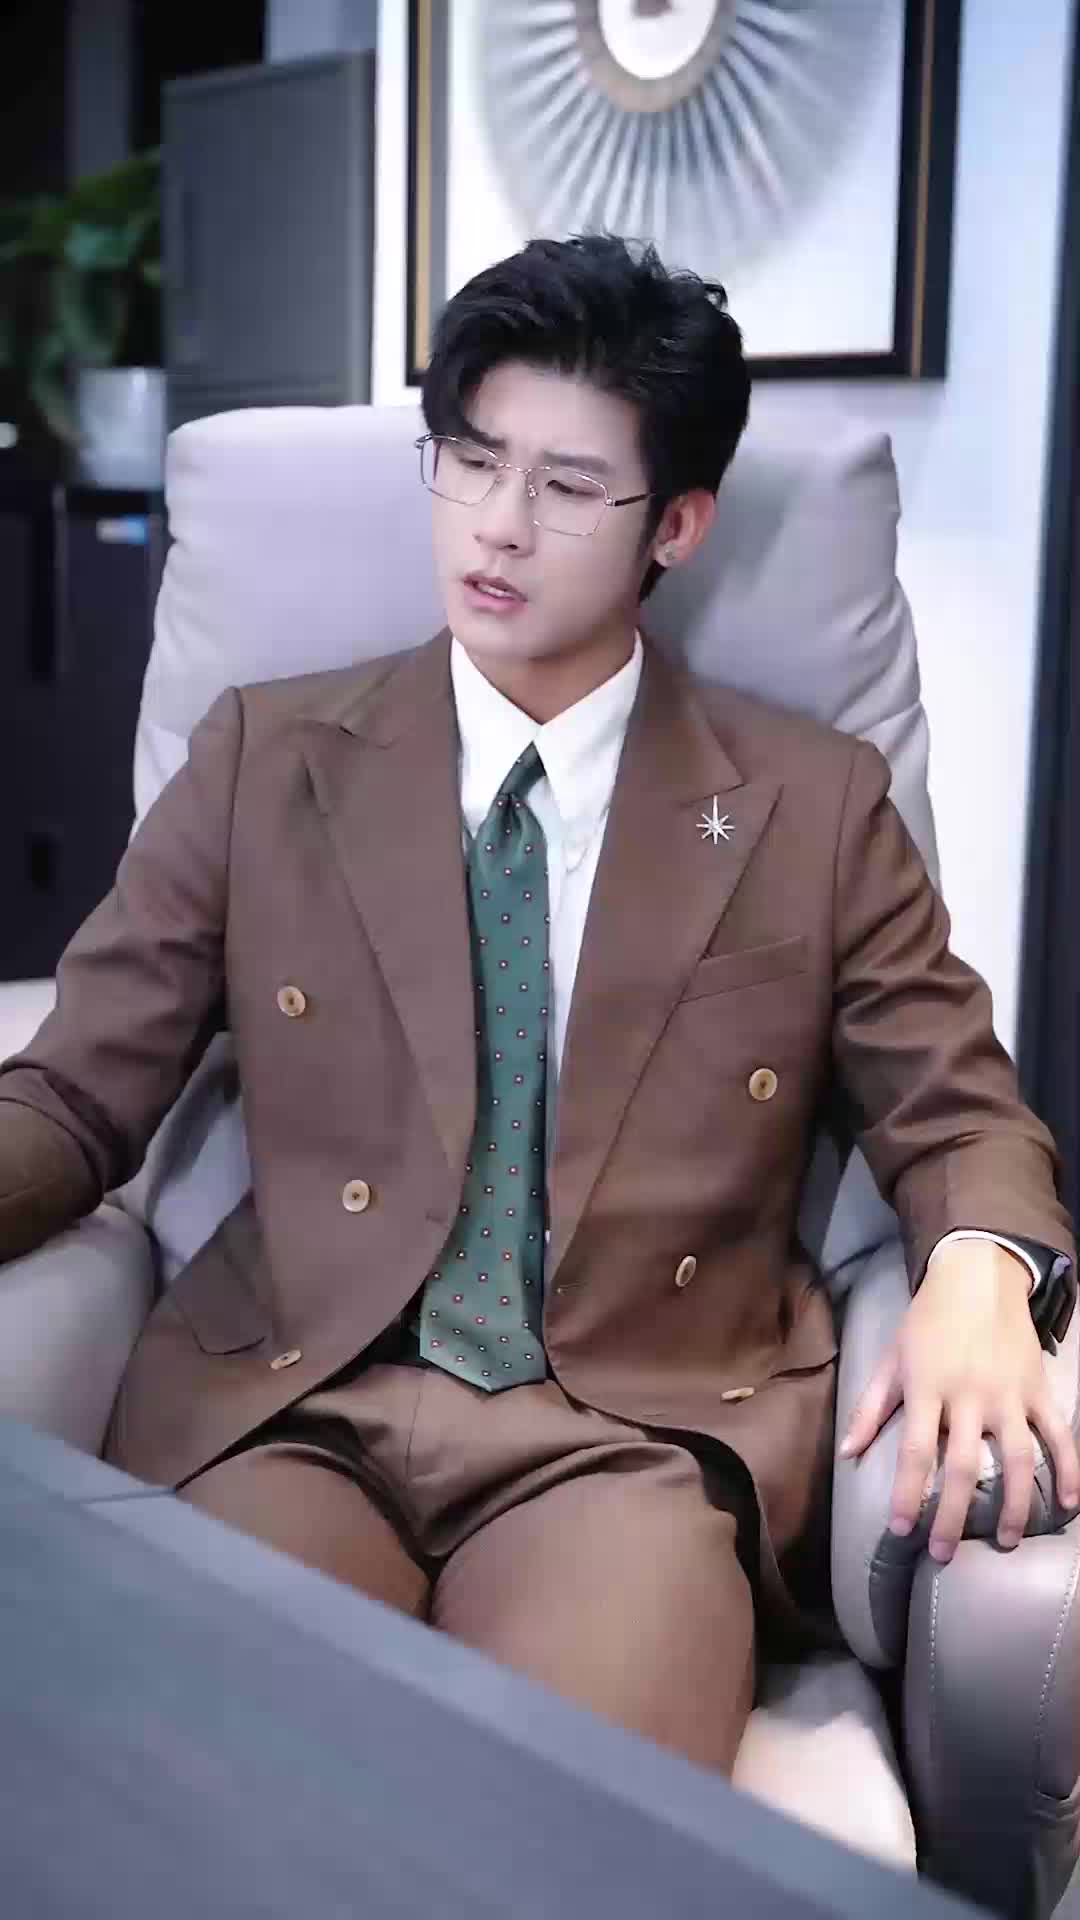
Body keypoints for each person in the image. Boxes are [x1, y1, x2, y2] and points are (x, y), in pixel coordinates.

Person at [0, 234, 1075, 1778]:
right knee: (196, 1788)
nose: (498, 526)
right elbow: (74, 1092)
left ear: (676, 524)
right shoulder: (265, 759)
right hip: (296, 1401)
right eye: (471, 460)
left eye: (569, 488)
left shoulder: (810, 804)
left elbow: (959, 1106)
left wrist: (979, 1264)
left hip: (629, 1433)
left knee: (570, 1826)